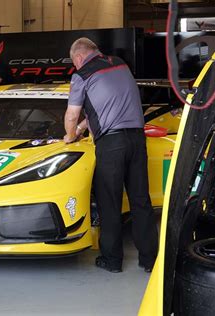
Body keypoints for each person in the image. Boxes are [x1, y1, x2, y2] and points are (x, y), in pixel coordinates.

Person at [63, 37, 158, 273]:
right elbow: (107, 105)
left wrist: (71, 135)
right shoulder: (120, 64)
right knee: (140, 201)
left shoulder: (81, 74)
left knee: (110, 201)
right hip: (137, 138)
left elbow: (72, 115)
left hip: (111, 144)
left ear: (78, 57)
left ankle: (112, 260)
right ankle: (149, 260)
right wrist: (86, 127)